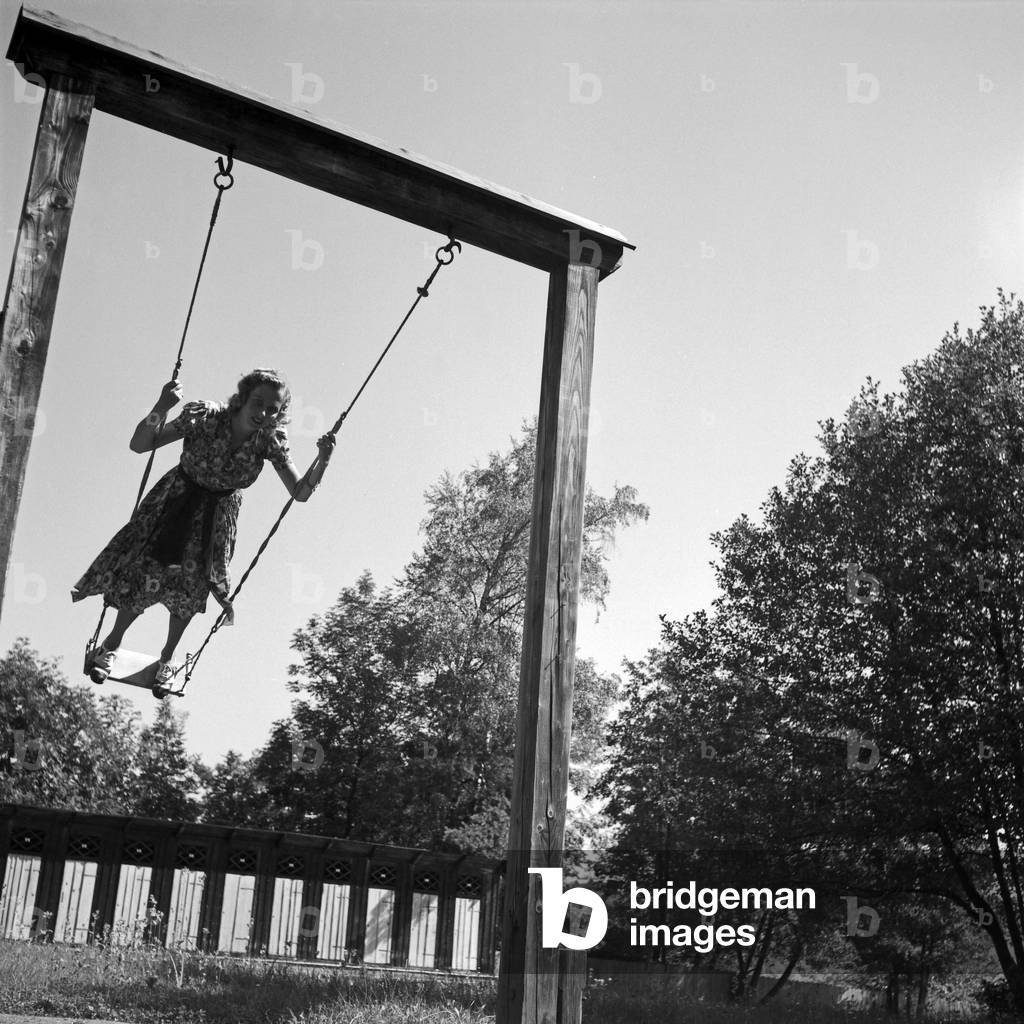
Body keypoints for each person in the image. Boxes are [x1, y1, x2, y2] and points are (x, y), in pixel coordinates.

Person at [71, 368, 335, 686]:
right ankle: (111, 646)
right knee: (145, 572)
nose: (264, 412)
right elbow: (140, 445)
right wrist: (162, 404)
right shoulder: (206, 416)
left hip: (216, 519)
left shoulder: (270, 439)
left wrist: (323, 460)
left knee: (193, 585)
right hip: (174, 502)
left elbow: (300, 492)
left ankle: (166, 660)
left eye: (272, 409)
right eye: (258, 402)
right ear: (242, 399)